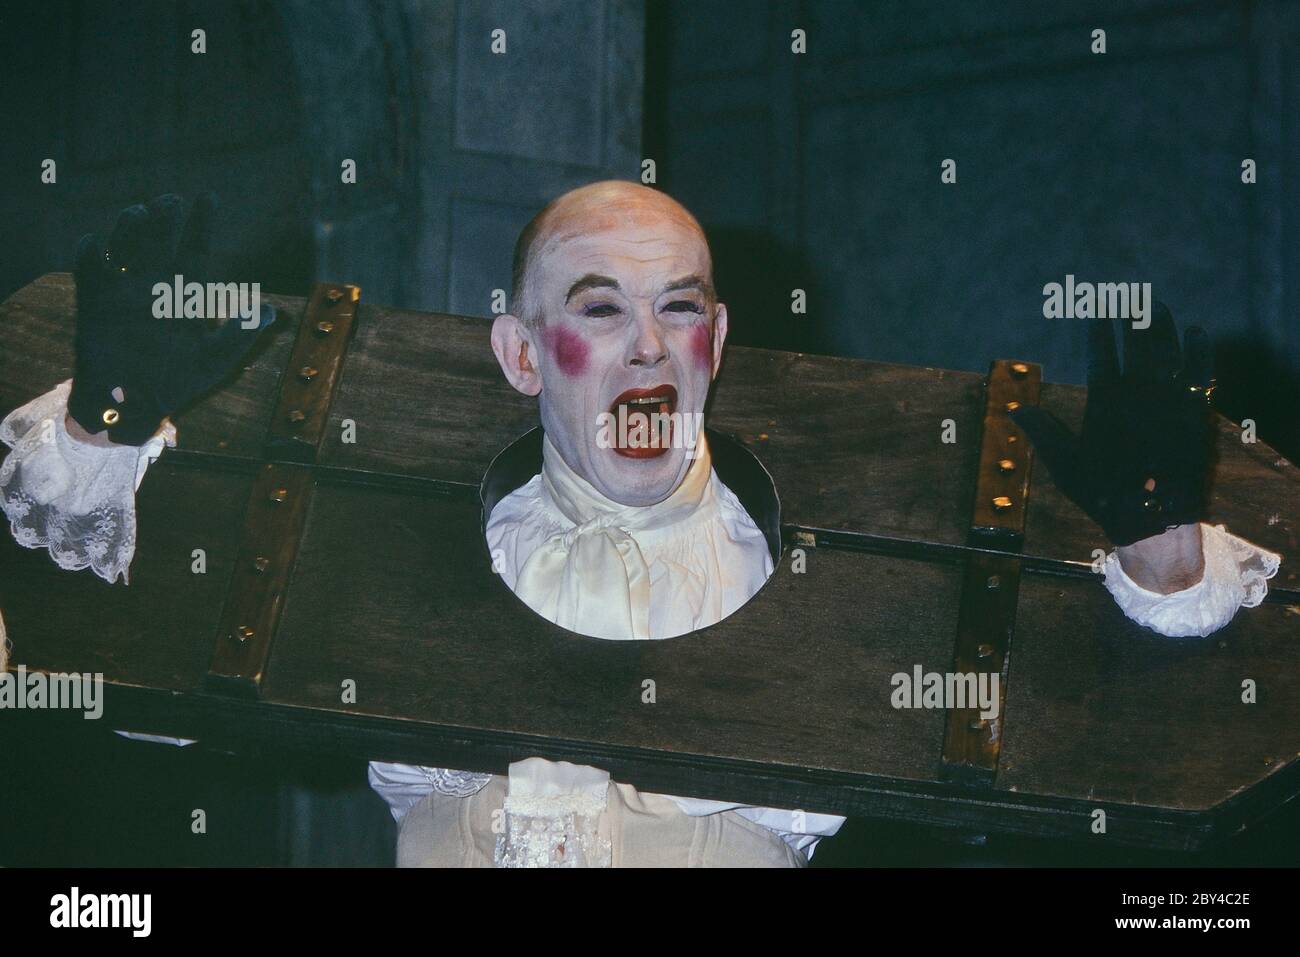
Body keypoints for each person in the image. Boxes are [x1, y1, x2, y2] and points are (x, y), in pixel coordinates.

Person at [0, 185, 1281, 866]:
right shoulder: (436, 553)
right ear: (517, 354)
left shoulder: (789, 564)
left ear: (720, 340)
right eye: (599, 309)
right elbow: (134, 666)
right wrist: (105, 436)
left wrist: (1162, 545)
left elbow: (1138, 707)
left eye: (681, 309)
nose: (650, 348)